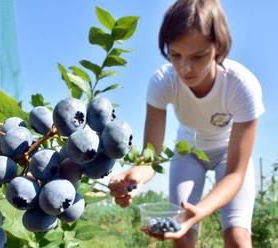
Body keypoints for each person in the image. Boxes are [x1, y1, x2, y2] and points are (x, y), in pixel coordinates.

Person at [108, 0, 265, 247]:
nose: (185, 68)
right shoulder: (163, 82)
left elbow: (236, 174)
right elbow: (151, 159)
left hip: (228, 157)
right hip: (188, 152)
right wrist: (134, 178)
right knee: (181, 237)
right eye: (175, 55)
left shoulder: (242, 86)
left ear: (218, 47)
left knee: (237, 237)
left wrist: (198, 212)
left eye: (198, 56)